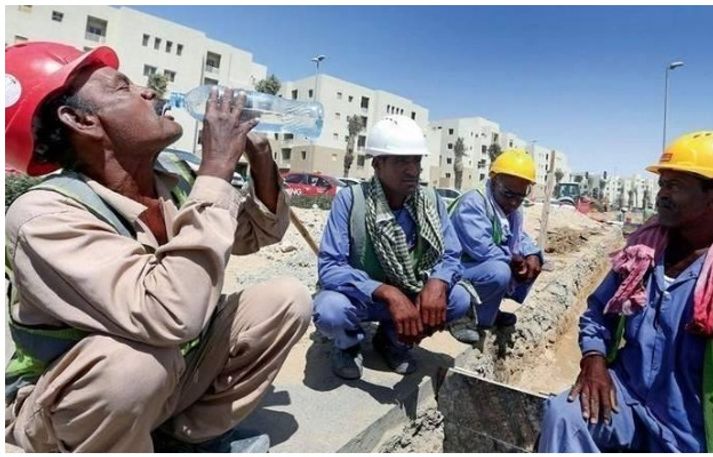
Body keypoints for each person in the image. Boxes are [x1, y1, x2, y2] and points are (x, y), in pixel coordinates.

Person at [4, 42, 312, 452]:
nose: (148, 91)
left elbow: (255, 236)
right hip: (75, 408)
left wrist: (258, 162)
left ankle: (183, 438)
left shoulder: (173, 179)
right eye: (122, 88)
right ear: (81, 120)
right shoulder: (45, 215)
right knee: (135, 367)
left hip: (169, 376)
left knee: (285, 299)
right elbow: (170, 315)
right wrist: (217, 169)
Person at [538, 131, 713, 452]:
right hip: (628, 402)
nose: (661, 195)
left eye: (675, 186)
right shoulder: (643, 251)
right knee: (564, 416)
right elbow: (598, 313)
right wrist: (594, 357)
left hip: (693, 432)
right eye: (662, 184)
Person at [313, 115, 473, 380]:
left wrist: (438, 281)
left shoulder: (431, 201)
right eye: (401, 161)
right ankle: (348, 345)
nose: (412, 170)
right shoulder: (351, 201)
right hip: (363, 298)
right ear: (377, 164)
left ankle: (393, 341)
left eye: (416, 160)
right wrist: (385, 291)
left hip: (412, 294)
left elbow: (451, 254)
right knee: (330, 311)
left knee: (458, 299)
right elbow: (330, 268)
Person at [448, 148, 543, 340]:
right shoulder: (474, 203)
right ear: (494, 180)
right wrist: (515, 261)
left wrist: (532, 254)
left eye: (520, 196)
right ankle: (460, 315)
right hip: (453, 268)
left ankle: (486, 316)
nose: (515, 202)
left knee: (531, 261)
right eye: (509, 194)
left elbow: (518, 236)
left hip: (473, 267)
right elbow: (483, 249)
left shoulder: (509, 209)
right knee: (499, 271)